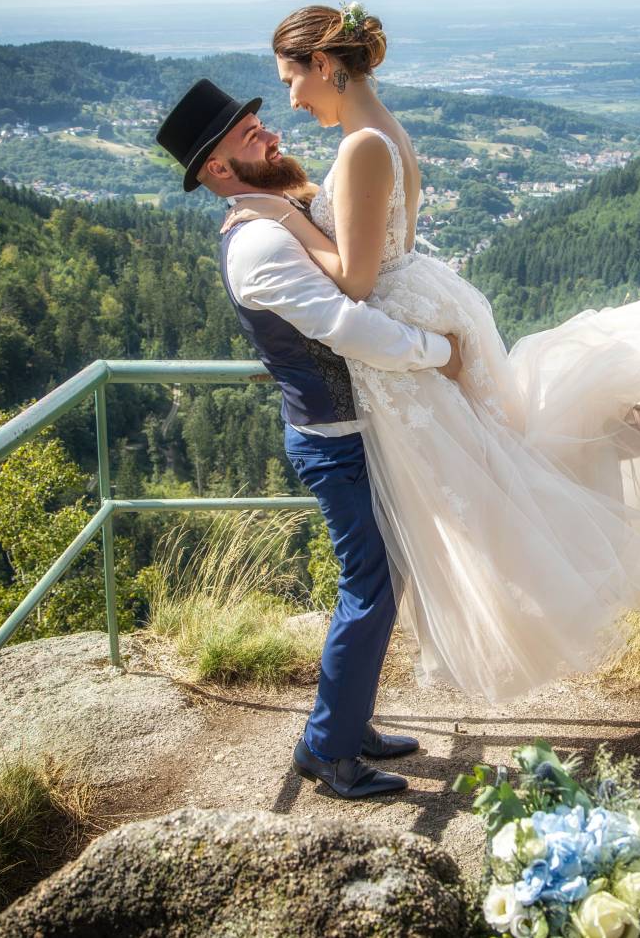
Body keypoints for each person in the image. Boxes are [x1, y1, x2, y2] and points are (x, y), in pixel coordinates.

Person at [234, 3, 640, 705]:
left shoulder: (363, 146)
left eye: (291, 79)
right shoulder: (381, 131)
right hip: (425, 302)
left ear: (325, 65)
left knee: (489, 479)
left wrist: (283, 220)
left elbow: (358, 279)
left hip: (405, 319)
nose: (293, 99)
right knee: (496, 458)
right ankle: (612, 430)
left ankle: (609, 434)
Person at [154, 78, 458, 799]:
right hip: (334, 440)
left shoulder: (272, 214)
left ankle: (347, 723)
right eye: (245, 132)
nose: (267, 131)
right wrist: (440, 351)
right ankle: (327, 750)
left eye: (256, 119)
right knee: (371, 586)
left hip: (352, 430)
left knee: (381, 582)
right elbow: (346, 326)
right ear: (218, 170)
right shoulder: (257, 242)